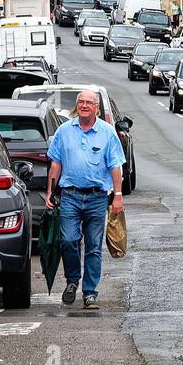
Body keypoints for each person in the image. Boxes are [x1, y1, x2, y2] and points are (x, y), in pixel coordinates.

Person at [45, 89, 126, 310]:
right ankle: (72, 281)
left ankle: (90, 293)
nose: (84, 105)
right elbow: (55, 164)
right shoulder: (64, 131)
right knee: (69, 240)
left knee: (93, 247)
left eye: (89, 102)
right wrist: (50, 193)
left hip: (97, 197)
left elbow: (115, 166)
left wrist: (117, 196)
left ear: (96, 108)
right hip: (70, 195)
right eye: (81, 102)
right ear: (76, 106)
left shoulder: (107, 133)